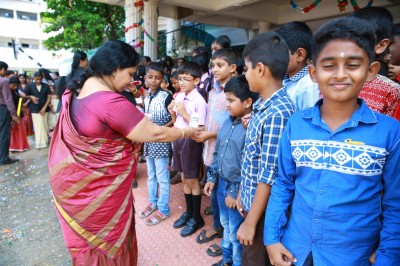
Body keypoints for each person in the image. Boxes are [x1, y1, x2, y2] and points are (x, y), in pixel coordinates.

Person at [265, 16, 400, 266]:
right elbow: (283, 184)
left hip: (353, 257)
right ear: (314, 73)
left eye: (352, 64)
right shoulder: (296, 125)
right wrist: (271, 239)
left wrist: (388, 256)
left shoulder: (391, 132)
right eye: (329, 65)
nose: (340, 75)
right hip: (296, 250)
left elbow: (395, 204)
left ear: (370, 72)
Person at [48, 40, 196, 265]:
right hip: (101, 198)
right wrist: (186, 132)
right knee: (106, 247)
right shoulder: (109, 102)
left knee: (88, 247)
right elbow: (155, 134)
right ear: (114, 69)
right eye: (129, 73)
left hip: (79, 193)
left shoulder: (76, 91)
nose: (130, 80)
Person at [237, 31, 295, 266]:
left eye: (246, 69)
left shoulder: (278, 112)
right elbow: (254, 158)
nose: (245, 75)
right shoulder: (263, 105)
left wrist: (251, 223)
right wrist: (243, 192)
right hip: (253, 206)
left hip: (263, 215)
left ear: (260, 69)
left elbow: (269, 175)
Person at [204, 75, 259, 266]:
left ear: (248, 102)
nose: (227, 104)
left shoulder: (250, 128)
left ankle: (235, 262)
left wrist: (235, 193)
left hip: (237, 190)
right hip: (221, 185)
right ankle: (226, 259)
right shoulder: (227, 123)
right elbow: (217, 152)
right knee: (226, 224)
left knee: (235, 230)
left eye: (231, 100)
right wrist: (212, 177)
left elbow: (248, 165)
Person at [194, 48, 237, 256]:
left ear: (233, 68)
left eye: (220, 65)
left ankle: (224, 235)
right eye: (213, 66)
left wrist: (210, 135)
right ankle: (219, 227)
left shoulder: (234, 92)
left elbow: (230, 127)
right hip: (210, 150)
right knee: (214, 193)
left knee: (222, 195)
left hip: (224, 152)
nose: (214, 69)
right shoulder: (213, 91)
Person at [167, 62, 208, 237]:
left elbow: (198, 128)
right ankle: (189, 212)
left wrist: (183, 112)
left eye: (186, 79)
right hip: (179, 137)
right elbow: (177, 121)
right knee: (184, 178)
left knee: (192, 180)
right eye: (180, 79)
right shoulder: (180, 96)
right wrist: (173, 112)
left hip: (191, 141)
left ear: (197, 80)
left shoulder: (199, 101)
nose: (182, 82)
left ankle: (196, 217)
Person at [138, 62, 174, 226]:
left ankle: (163, 208)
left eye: (157, 78)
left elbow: (173, 120)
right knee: (151, 175)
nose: (153, 80)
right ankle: (153, 202)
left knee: (162, 177)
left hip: (160, 141)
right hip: (149, 141)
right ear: (145, 78)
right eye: (150, 77)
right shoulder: (147, 96)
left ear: (162, 80)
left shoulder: (167, 96)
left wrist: (159, 131)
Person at [350, 6, 400, 117]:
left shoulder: (391, 91)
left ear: (381, 45)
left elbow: (391, 131)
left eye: (359, 39)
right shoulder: (328, 81)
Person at [276, 21, 320, 111]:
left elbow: (310, 122)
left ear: (300, 55)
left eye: (280, 52)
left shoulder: (309, 87)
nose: (275, 58)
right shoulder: (284, 80)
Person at [24, 71, 51, 149]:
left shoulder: (46, 86)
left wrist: (44, 108)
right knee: (38, 126)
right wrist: (31, 97)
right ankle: (40, 143)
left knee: (45, 125)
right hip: (34, 109)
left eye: (40, 79)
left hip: (45, 109)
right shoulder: (30, 86)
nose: (39, 81)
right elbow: (26, 95)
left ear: (42, 78)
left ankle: (45, 141)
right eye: (37, 79)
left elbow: (49, 97)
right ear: (34, 78)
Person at [0, 61, 20, 165]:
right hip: (2, 109)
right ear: (2, 69)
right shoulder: (3, 81)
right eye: (5, 70)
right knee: (4, 134)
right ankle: (3, 158)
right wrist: (14, 114)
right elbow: (8, 99)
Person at [8, 77, 29, 152]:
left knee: (20, 131)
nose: (15, 87)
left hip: (19, 114)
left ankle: (20, 146)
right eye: (13, 85)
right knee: (13, 132)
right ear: (9, 84)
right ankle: (12, 147)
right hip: (12, 115)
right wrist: (13, 115)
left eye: (16, 85)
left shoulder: (16, 92)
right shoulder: (7, 93)